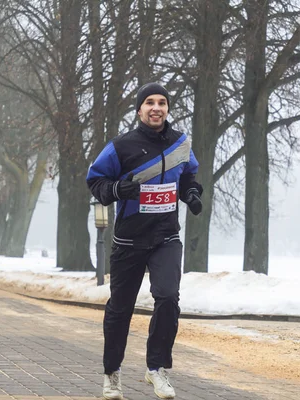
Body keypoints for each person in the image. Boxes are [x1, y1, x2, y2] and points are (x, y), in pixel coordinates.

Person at [86, 82, 203, 400]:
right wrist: (117, 190)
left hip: (166, 235)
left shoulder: (180, 143)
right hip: (129, 239)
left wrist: (191, 192)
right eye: (149, 102)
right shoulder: (121, 146)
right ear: (139, 110)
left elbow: (188, 174)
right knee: (120, 309)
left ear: (167, 109)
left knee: (168, 298)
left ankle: (157, 369)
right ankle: (112, 374)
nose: (156, 107)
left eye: (162, 102)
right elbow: (95, 180)